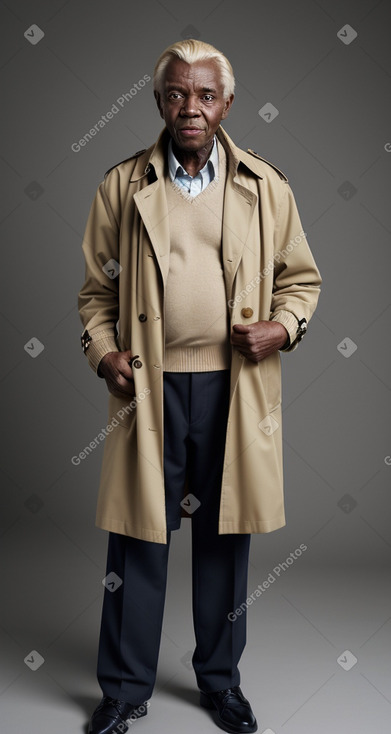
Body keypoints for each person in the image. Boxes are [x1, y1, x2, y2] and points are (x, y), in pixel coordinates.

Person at [78, 38, 322, 734]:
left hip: (232, 391)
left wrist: (284, 326)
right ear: (160, 102)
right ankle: (124, 691)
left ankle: (220, 684)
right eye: (177, 93)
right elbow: (95, 294)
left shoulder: (264, 186)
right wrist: (102, 355)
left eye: (205, 94)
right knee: (138, 542)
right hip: (147, 394)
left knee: (224, 541)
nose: (191, 106)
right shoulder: (121, 186)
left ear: (226, 105)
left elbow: (301, 281)